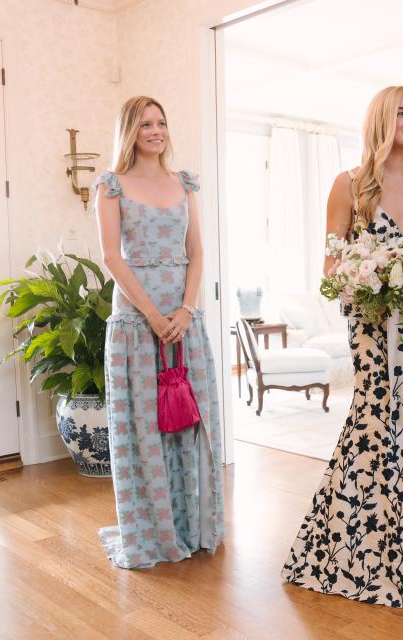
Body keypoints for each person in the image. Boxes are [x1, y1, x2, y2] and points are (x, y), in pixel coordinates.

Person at [281, 86, 403, 608]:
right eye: (402, 112)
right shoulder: (350, 185)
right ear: (381, 119)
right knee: (379, 423)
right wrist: (373, 274)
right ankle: (364, 551)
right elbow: (331, 270)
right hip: (373, 329)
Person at [94, 96, 224, 569]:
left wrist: (187, 310)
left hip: (184, 321)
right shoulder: (111, 186)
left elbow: (198, 252)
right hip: (136, 321)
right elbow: (112, 257)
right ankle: (152, 531)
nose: (156, 131)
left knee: (189, 422)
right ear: (130, 130)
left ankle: (193, 525)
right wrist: (151, 314)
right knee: (145, 427)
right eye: (146, 124)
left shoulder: (184, 182)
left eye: (162, 122)